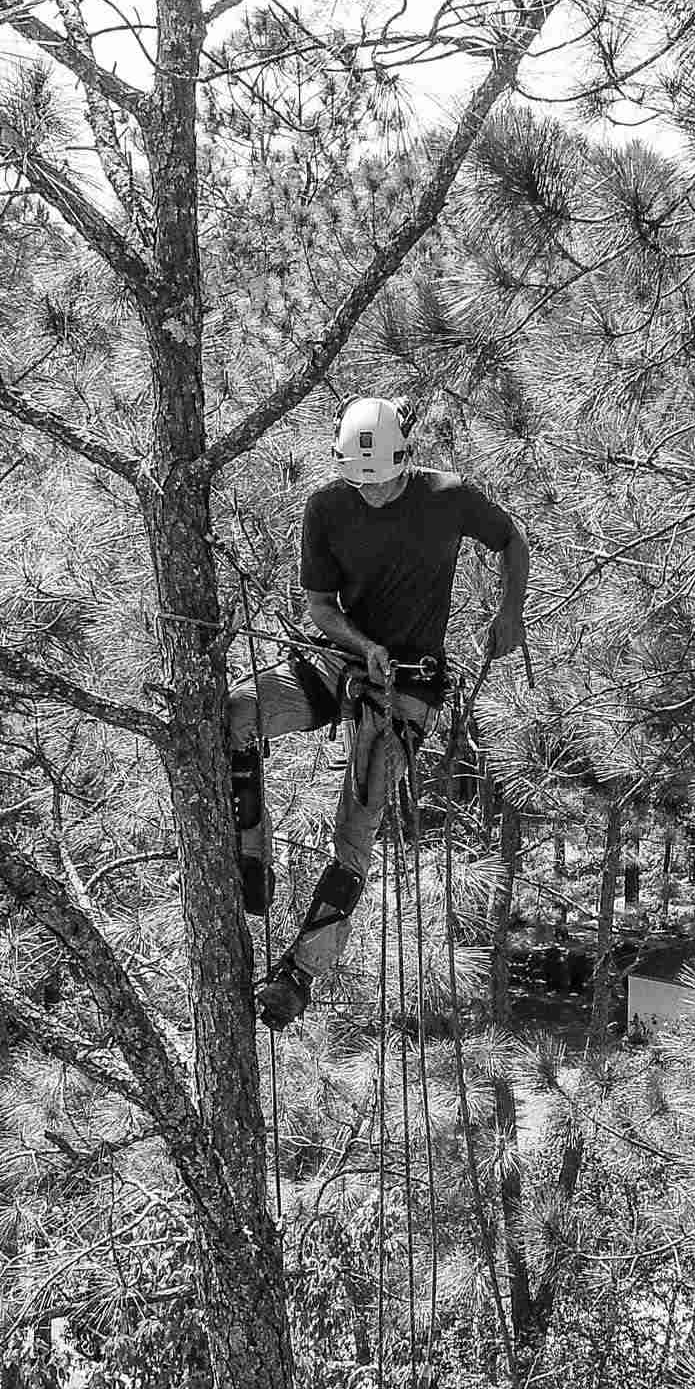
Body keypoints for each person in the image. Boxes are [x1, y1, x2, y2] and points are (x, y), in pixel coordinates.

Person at [229, 394, 530, 1029]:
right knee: (238, 713)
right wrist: (363, 647)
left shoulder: (448, 498)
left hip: (409, 684)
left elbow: (512, 538)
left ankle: (300, 973)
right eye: (357, 481)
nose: (368, 493)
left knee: (357, 828)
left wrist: (510, 611)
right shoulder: (328, 506)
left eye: (380, 481)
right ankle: (248, 862)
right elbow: (320, 604)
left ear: (403, 461)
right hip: (340, 659)